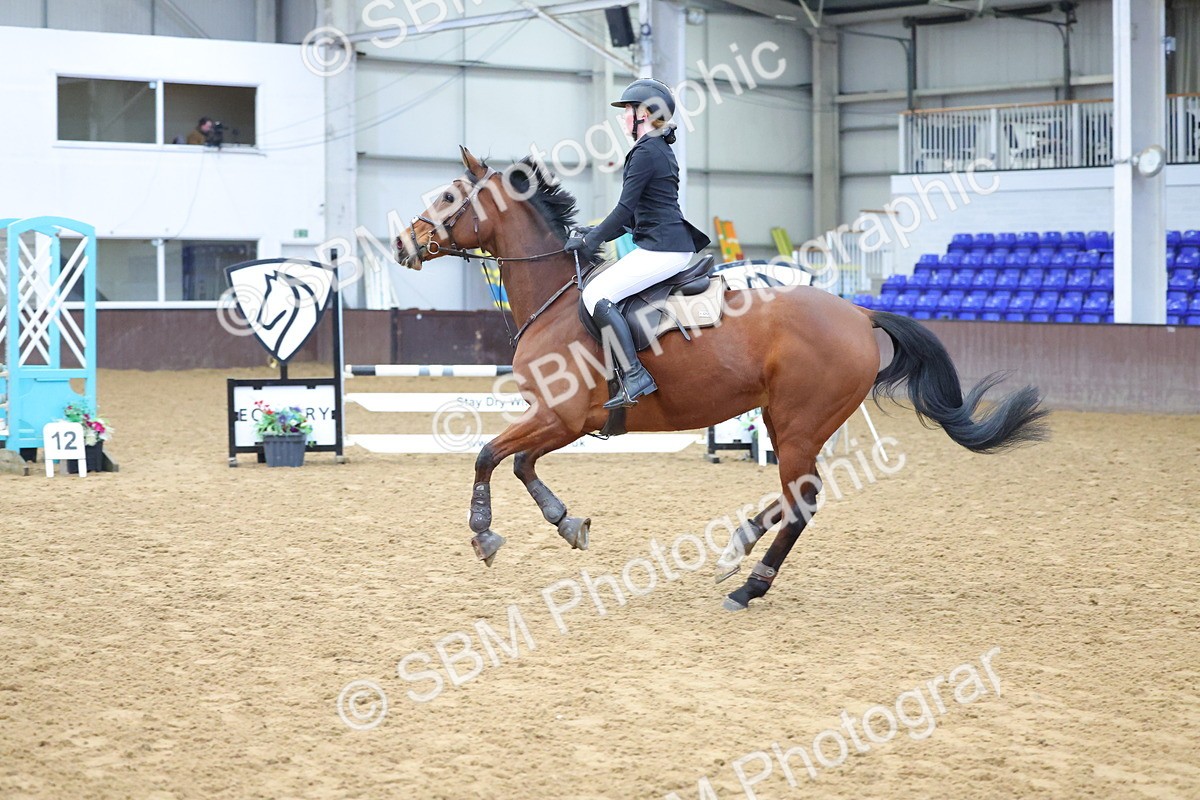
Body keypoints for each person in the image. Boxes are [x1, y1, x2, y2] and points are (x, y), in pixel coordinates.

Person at [565, 78, 711, 409]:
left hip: (663, 249)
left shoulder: (645, 151)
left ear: (643, 113)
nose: (621, 118)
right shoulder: (658, 148)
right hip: (665, 243)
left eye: (626, 111)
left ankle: (634, 375)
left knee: (596, 294)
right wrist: (587, 232)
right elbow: (631, 221)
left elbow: (622, 211)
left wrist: (591, 240)